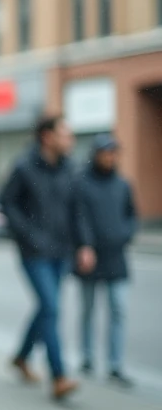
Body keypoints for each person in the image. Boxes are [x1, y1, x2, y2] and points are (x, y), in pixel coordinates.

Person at [0, 116, 93, 401]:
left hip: (61, 252)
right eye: (65, 134)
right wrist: (28, 235)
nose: (71, 140)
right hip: (34, 252)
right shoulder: (24, 166)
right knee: (51, 307)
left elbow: (78, 211)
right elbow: (6, 202)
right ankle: (59, 376)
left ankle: (21, 357)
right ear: (47, 137)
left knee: (46, 308)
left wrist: (85, 245)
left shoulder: (70, 169)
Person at [75, 135, 137, 388]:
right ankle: (87, 358)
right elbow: (79, 217)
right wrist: (85, 245)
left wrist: (124, 234)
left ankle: (115, 365)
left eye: (114, 153)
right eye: (106, 152)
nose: (110, 157)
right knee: (88, 310)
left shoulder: (123, 185)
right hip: (90, 256)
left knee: (118, 310)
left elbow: (132, 217)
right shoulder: (82, 183)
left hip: (116, 257)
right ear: (96, 154)